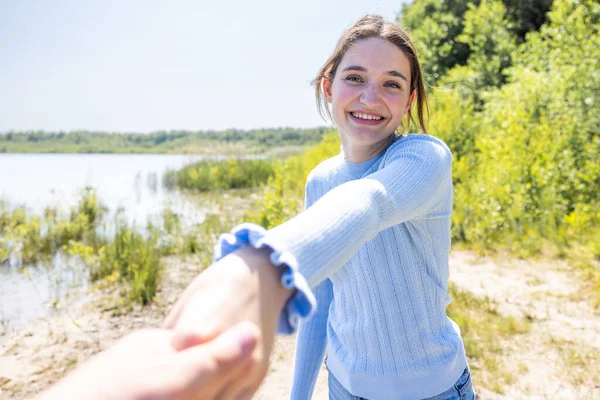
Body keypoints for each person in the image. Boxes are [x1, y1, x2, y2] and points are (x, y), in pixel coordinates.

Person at [168, 13, 475, 400]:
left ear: (410, 99)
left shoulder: (425, 158)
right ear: (329, 87)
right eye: (355, 78)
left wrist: (259, 266)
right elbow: (322, 302)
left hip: (432, 390)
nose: (370, 97)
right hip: (343, 387)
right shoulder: (321, 180)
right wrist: (299, 394)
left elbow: (370, 201)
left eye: (391, 84)